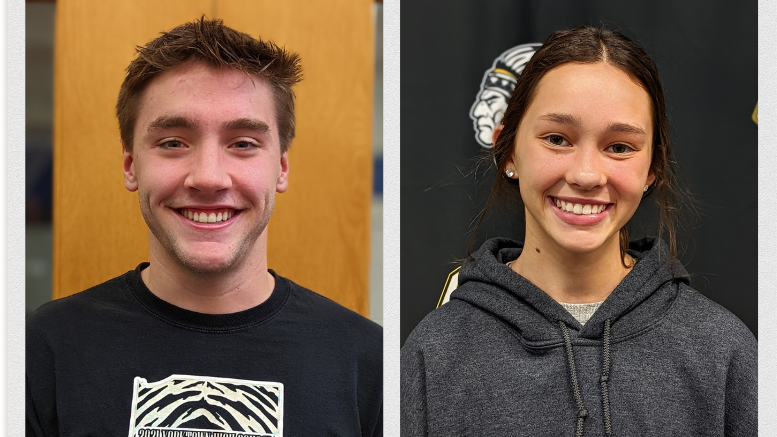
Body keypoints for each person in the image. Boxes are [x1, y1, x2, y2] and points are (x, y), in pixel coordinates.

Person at [27, 17, 382, 437]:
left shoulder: (369, 362)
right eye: (174, 142)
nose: (209, 177)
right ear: (130, 165)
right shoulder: (39, 351)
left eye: (243, 144)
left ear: (281, 168)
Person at [401, 26, 756, 436]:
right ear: (508, 151)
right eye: (557, 139)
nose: (586, 174)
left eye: (619, 147)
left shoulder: (722, 350)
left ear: (652, 169)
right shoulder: (436, 352)